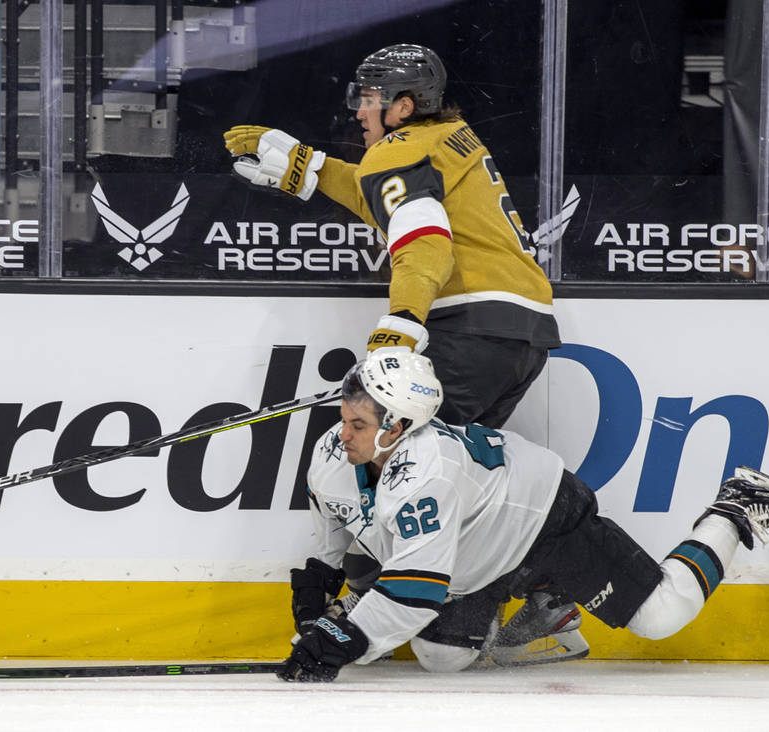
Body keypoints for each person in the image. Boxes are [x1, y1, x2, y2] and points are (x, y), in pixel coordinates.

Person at [224, 43, 571, 658]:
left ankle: (527, 590)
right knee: (459, 486)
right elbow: (391, 202)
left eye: (370, 97)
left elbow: (425, 241)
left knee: (403, 468)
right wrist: (308, 169)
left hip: (468, 329)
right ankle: (528, 598)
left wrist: (402, 325)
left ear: (403, 105)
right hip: (520, 335)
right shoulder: (449, 137)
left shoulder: (399, 147)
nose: (360, 108)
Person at [278, 350, 769, 682]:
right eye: (344, 418)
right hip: (471, 553)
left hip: (545, 523)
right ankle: (538, 609)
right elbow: (332, 525)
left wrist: (347, 641)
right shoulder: (337, 453)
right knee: (442, 658)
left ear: (397, 426)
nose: (340, 433)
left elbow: (418, 588)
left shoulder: (429, 473)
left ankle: (733, 508)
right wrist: (315, 598)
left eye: (355, 423)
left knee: (662, 614)